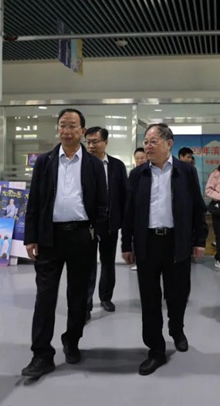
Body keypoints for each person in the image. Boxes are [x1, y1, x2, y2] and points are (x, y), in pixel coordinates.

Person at [21, 108, 108, 378]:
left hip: (82, 237)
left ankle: (72, 340)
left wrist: (97, 233)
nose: (66, 131)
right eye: (62, 125)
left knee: (78, 296)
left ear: (83, 131)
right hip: (50, 237)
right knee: (44, 297)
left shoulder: (94, 164)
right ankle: (41, 354)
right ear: (57, 129)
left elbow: (102, 203)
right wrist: (30, 237)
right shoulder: (45, 162)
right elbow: (34, 201)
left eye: (72, 126)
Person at [122, 124, 207, 376]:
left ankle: (176, 330)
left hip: (176, 242)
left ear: (169, 143)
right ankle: (156, 349)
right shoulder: (137, 175)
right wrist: (126, 244)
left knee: (178, 295)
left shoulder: (186, 171)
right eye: (146, 142)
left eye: (153, 141)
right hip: (147, 243)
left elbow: (198, 208)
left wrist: (199, 240)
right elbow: (129, 212)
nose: (148, 147)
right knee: (149, 299)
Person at [85, 126, 128, 318]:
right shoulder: (82, 164)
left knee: (108, 262)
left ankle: (106, 297)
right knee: (87, 265)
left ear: (106, 142)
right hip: (88, 224)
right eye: (88, 142)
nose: (91, 146)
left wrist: (123, 221)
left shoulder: (117, 166)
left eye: (95, 142)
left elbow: (124, 194)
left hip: (110, 222)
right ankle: (85, 304)